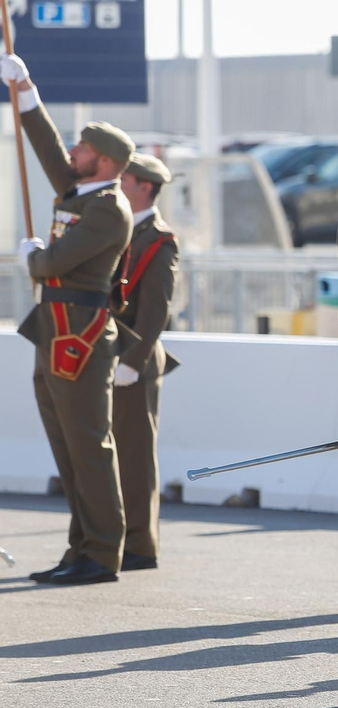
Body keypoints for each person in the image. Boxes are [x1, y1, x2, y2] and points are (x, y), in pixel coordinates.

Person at [5, 53, 134, 586]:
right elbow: (48, 152)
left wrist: (30, 258)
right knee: (68, 450)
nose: (74, 152)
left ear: (103, 162)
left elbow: (55, 262)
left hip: (78, 333)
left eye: (83, 148)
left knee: (89, 447)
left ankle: (102, 553)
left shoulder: (107, 207)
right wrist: (26, 92)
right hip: (55, 327)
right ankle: (79, 546)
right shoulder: (83, 190)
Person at [111, 152, 181, 573]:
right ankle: (114, 538)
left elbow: (156, 310)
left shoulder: (158, 238)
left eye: (125, 179)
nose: (117, 185)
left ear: (144, 187)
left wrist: (133, 361)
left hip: (133, 362)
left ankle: (140, 544)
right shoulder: (120, 229)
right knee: (109, 457)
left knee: (134, 457)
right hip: (108, 356)